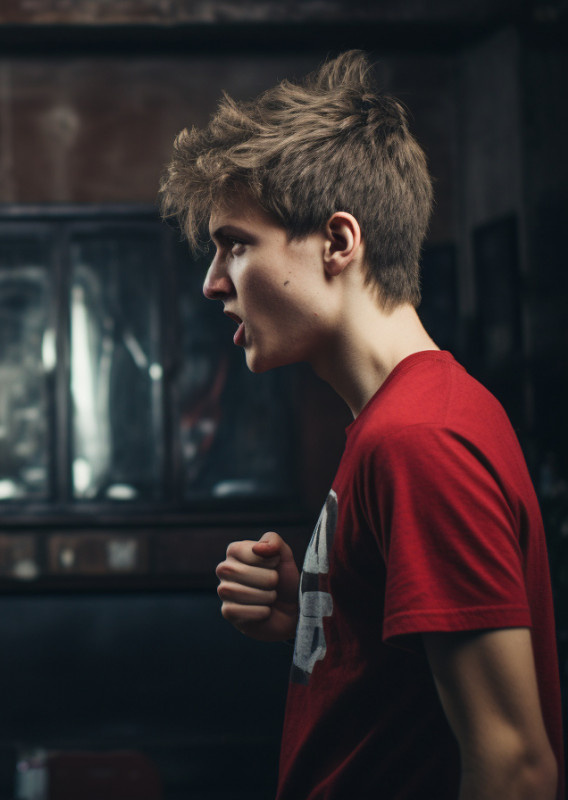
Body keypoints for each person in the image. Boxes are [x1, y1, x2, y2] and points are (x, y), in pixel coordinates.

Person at [160, 51, 562, 799]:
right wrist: (328, 610)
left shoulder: (418, 440)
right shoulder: (404, 420)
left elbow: (515, 765)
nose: (214, 282)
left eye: (236, 244)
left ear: (338, 244)